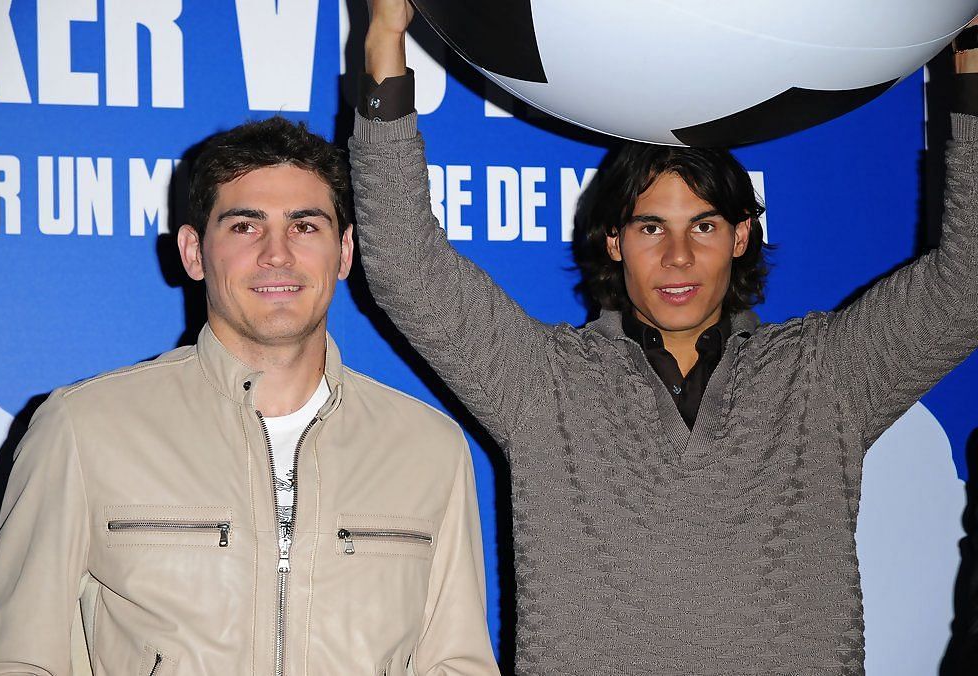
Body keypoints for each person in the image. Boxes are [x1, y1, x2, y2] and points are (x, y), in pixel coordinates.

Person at [350, 1, 978, 673]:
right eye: (652, 227)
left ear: (741, 236)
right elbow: (405, 270)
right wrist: (385, 37)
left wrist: (968, 68)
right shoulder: (546, 382)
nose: (677, 256)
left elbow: (965, 285)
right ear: (616, 242)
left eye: (703, 226)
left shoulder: (826, 373)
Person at [0, 116, 499, 676]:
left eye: (305, 227)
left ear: (343, 253)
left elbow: (456, 662)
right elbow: (13, 659)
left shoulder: (429, 449)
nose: (277, 254)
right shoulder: (81, 429)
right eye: (245, 227)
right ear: (194, 253)